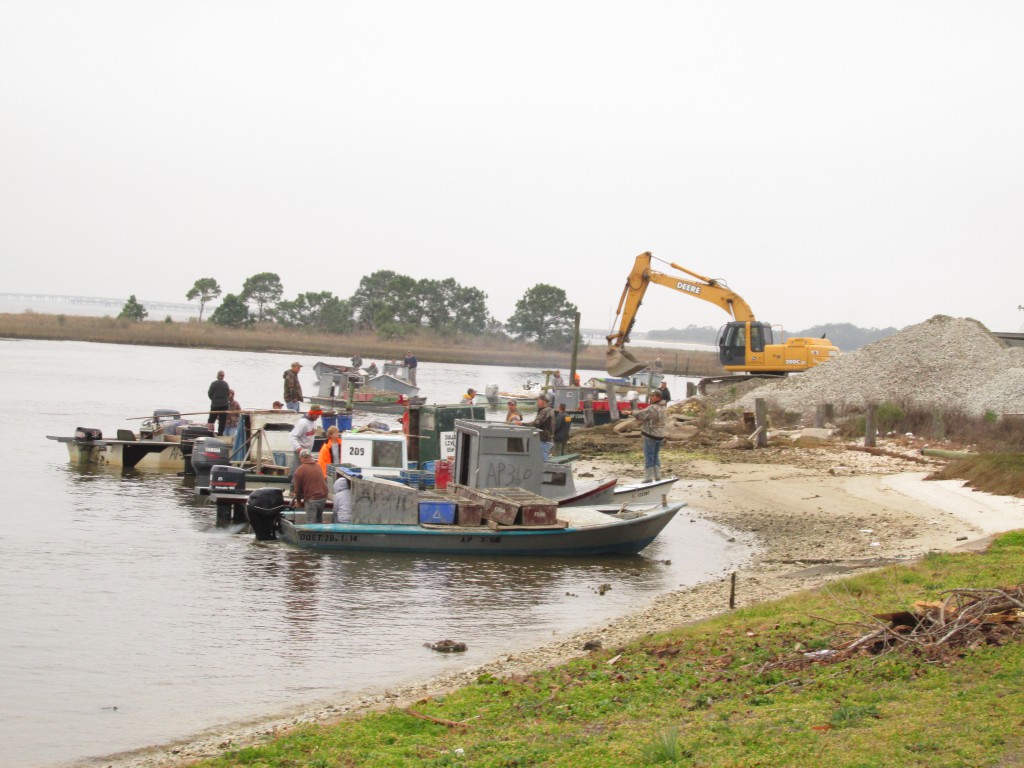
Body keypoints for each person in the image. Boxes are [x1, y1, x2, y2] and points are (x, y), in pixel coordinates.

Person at [633, 389, 668, 482]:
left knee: (649, 456)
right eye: (651, 396)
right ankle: (657, 476)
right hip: (660, 435)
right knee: (655, 455)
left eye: (653, 396)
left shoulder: (653, 408)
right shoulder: (664, 407)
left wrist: (631, 412)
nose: (651, 398)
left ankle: (648, 478)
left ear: (658, 397)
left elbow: (641, 414)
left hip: (650, 435)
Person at [291, 448, 328, 524]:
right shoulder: (318, 466)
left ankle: (313, 531)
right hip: (323, 497)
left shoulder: (300, 470)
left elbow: (298, 489)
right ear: (310, 456)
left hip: (312, 499)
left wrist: (298, 501)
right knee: (318, 520)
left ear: (301, 457)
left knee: (311, 523)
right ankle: (319, 529)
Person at [288, 405, 322, 472]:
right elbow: (292, 436)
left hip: (307, 452)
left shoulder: (313, 421)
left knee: (305, 471)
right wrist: (299, 448)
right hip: (300, 452)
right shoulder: (303, 423)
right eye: (317, 414)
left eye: (319, 415)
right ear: (312, 413)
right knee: (298, 471)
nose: (318, 416)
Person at [529, 394, 555, 462]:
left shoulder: (545, 411)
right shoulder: (549, 410)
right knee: (542, 460)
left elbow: (535, 424)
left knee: (541, 462)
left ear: (543, 401)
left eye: (538, 400)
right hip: (547, 440)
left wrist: (522, 424)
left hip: (544, 441)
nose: (537, 402)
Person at [207, 370, 230, 435]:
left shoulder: (213, 384)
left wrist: (213, 399)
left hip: (215, 404)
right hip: (224, 404)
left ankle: (210, 433)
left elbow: (209, 393)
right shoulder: (226, 384)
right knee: (222, 420)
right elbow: (228, 394)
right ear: (223, 376)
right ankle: (220, 433)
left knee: (211, 419)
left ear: (217, 376)